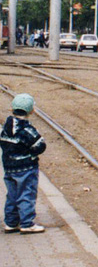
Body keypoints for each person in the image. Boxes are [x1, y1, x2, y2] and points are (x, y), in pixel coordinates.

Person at [2, 93, 47, 234]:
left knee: (12, 194)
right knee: (26, 193)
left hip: (9, 167)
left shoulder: (5, 129)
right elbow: (40, 146)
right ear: (31, 110)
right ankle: (27, 223)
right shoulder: (27, 130)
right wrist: (31, 154)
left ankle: (11, 222)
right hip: (26, 167)